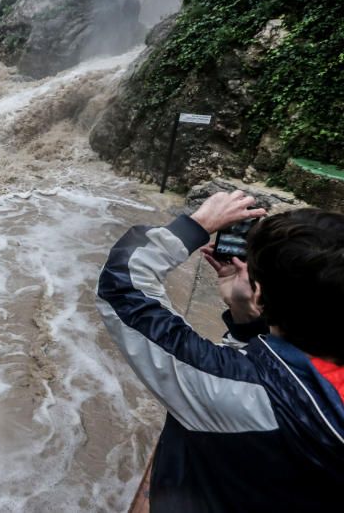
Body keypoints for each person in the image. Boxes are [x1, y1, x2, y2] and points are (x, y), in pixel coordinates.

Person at [97, 190, 344, 512]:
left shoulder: (237, 390)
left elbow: (124, 289)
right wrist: (248, 324)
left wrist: (195, 225)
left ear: (259, 294)